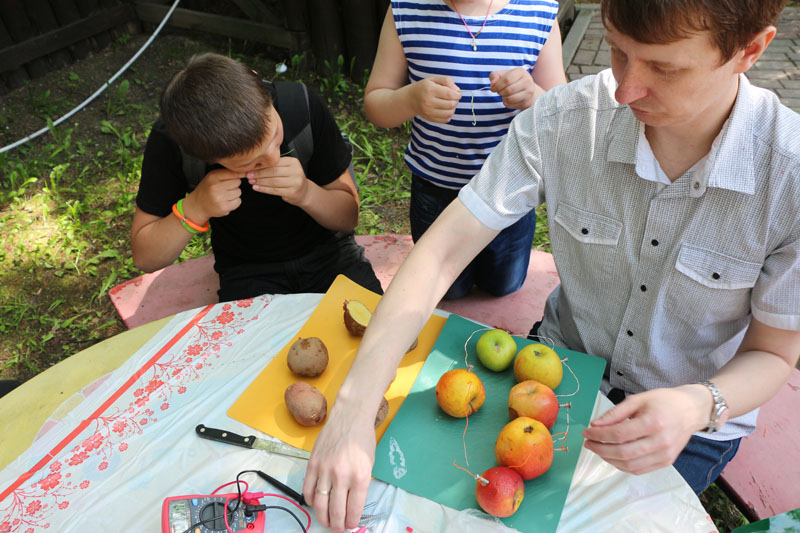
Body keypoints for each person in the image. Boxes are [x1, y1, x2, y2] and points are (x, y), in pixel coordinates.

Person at [303, 0, 800, 530]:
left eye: (664, 68)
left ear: (750, 50)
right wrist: (354, 410)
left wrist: (699, 404)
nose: (625, 90)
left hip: (694, 419)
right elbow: (441, 252)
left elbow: (773, 352)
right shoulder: (567, 118)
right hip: (558, 368)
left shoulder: (789, 177)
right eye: (617, 51)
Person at [131, 53, 382, 301]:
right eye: (250, 162)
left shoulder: (299, 106)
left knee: (376, 323)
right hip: (247, 271)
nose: (273, 159)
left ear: (259, 84)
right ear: (207, 158)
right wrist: (195, 208)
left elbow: (348, 218)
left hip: (331, 256)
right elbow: (145, 257)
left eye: (275, 136)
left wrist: (307, 193)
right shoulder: (174, 143)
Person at [363, 0, 566, 299]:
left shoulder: (538, 11)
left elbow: (562, 111)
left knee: (504, 284)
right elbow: (375, 104)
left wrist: (533, 95)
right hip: (436, 191)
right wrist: (411, 100)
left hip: (508, 191)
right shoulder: (406, 10)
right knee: (449, 290)